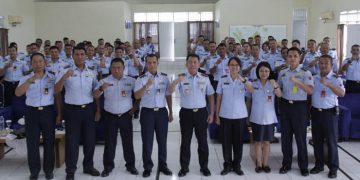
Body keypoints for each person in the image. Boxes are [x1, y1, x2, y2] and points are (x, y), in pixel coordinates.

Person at [55, 46, 100, 180]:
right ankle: (70, 170)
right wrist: (64, 77)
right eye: (77, 54)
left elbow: (96, 91)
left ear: (86, 56)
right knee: (72, 141)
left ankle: (88, 166)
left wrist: (98, 110)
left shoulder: (91, 72)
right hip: (72, 110)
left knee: (90, 140)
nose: (80, 57)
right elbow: (56, 90)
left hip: (88, 109)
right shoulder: (65, 70)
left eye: (82, 54)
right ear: (73, 56)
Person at [15, 53, 61, 180]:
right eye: (35, 62)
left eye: (40, 61)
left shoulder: (52, 77)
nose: (38, 64)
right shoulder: (26, 78)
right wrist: (30, 80)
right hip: (32, 113)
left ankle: (48, 170)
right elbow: (18, 93)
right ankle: (34, 171)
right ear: (31, 64)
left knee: (49, 142)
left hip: (48, 112)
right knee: (32, 143)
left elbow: (57, 96)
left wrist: (59, 113)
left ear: (45, 62)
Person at [168, 54, 215, 177]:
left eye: (195, 62)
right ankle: (184, 168)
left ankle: (204, 167)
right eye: (190, 62)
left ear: (199, 64)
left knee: (203, 142)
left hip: (201, 113)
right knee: (185, 142)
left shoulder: (205, 78)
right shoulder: (182, 78)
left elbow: (210, 96)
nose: (193, 64)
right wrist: (177, 80)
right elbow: (170, 90)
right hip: (186, 114)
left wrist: (211, 113)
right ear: (186, 65)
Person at [93, 58, 139, 177]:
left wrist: (134, 109)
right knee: (110, 142)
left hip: (125, 115)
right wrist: (101, 88)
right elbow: (95, 95)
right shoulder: (104, 81)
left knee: (127, 142)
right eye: (113, 67)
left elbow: (138, 96)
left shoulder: (131, 81)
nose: (116, 70)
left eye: (119, 67)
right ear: (110, 68)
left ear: (123, 68)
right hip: (110, 116)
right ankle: (108, 167)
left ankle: (130, 165)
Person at [134, 54, 173, 177]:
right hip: (147, 113)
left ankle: (163, 165)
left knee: (162, 141)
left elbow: (168, 95)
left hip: (161, 112)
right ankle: (147, 166)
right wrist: (146, 85)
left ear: (157, 63)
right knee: (147, 141)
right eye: (149, 62)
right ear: (146, 64)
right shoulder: (141, 79)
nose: (152, 65)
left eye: (154, 62)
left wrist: (171, 111)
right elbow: (137, 96)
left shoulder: (165, 78)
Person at [278, 47, 313, 176]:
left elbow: (310, 91)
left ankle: (303, 166)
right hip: (286, 106)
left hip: (300, 108)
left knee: (300, 138)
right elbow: (279, 90)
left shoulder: (305, 73)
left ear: (299, 58)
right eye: (290, 56)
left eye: (295, 56)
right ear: (287, 57)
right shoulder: (282, 73)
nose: (292, 58)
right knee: (286, 138)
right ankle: (286, 164)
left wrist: (298, 82)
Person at [215, 56, 253, 176]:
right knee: (226, 142)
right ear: (228, 67)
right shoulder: (222, 79)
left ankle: (237, 165)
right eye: (231, 65)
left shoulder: (244, 80)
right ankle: (227, 165)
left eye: (236, 65)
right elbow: (219, 98)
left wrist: (241, 78)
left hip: (240, 116)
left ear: (240, 67)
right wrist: (217, 115)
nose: (234, 67)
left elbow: (252, 90)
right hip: (225, 115)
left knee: (238, 142)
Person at [310, 54, 345, 179]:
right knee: (317, 141)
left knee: (331, 142)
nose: (323, 66)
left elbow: (341, 94)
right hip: (315, 113)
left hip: (329, 114)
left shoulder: (336, 79)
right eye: (321, 63)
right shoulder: (313, 77)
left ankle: (333, 168)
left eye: (326, 63)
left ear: (331, 65)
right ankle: (319, 165)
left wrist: (329, 84)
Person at [249, 61, 281, 173]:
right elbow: (249, 100)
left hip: (269, 118)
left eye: (267, 71)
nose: (264, 73)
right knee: (257, 142)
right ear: (258, 72)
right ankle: (258, 164)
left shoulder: (273, 83)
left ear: (270, 72)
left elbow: (279, 95)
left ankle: (265, 163)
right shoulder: (253, 83)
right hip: (256, 117)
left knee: (267, 142)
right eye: (261, 71)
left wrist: (275, 85)